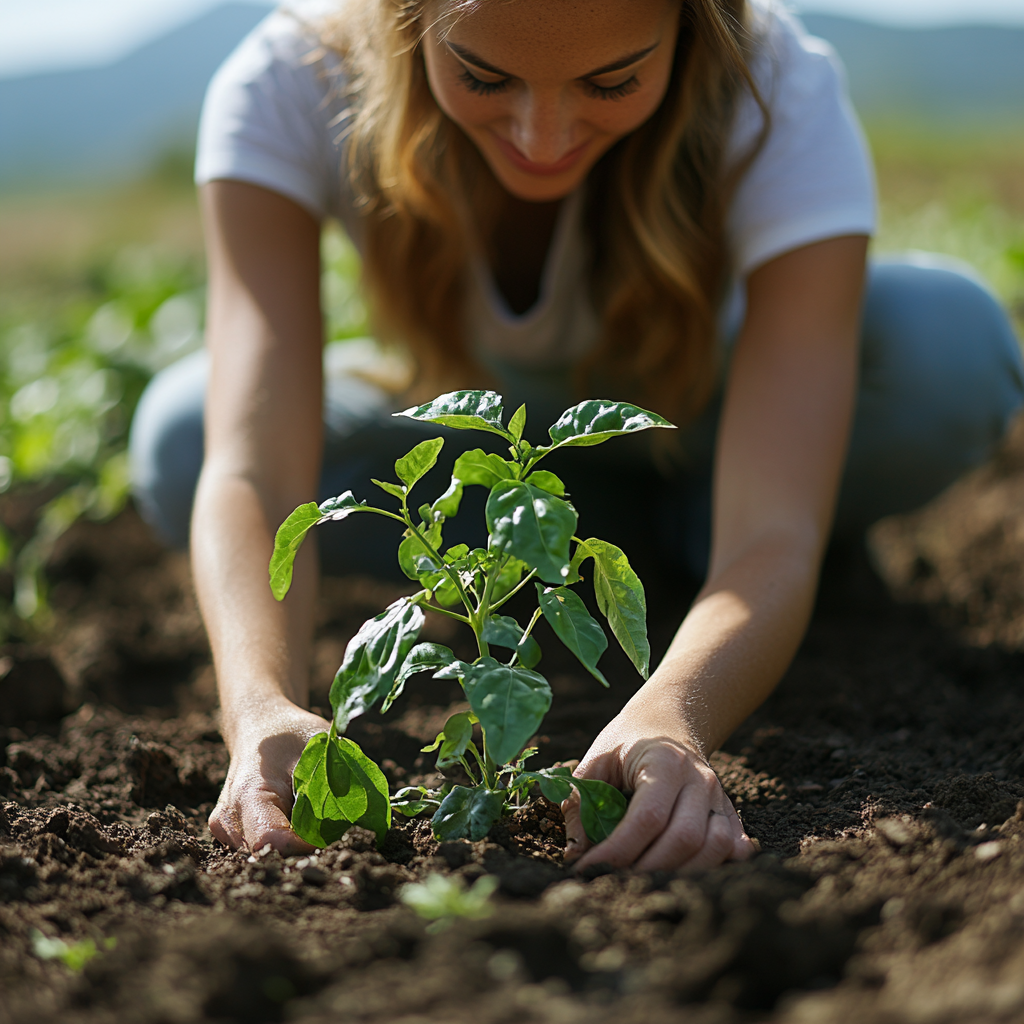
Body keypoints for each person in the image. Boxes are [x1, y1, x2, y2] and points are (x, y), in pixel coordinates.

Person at [129, 0, 1023, 870]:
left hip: (706, 421)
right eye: (483, 75)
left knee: (948, 345)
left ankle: (657, 554)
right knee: (184, 442)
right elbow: (255, 469)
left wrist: (675, 710)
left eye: (612, 81)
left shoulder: (774, 86)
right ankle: (626, 549)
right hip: (480, 437)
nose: (543, 135)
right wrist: (259, 708)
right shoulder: (293, 78)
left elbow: (774, 526)